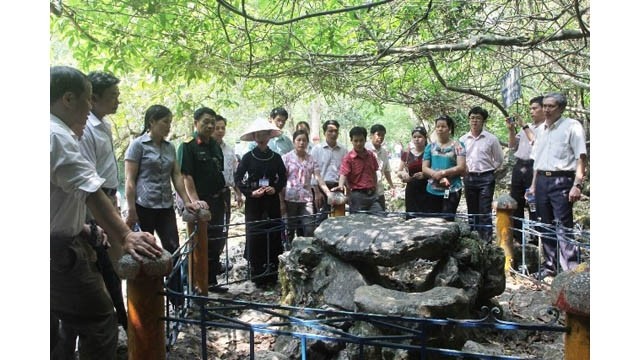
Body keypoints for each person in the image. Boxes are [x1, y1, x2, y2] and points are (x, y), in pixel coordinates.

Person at [50, 65, 163, 359]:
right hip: (58, 251)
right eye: (89, 99)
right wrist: (126, 235)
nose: (91, 106)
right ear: (68, 99)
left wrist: (84, 227)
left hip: (69, 236)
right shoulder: (57, 136)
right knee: (100, 321)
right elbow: (88, 190)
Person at [124, 105, 200, 305]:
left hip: (165, 205)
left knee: (173, 248)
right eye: (165, 122)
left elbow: (176, 176)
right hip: (143, 205)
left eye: (170, 122)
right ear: (151, 122)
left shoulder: (169, 147)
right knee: (146, 252)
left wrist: (187, 201)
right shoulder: (138, 145)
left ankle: (177, 300)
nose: (168, 126)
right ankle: (149, 299)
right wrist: (131, 210)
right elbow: (130, 180)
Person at [529, 93, 587, 280]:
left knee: (563, 226)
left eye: (551, 106)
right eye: (544, 106)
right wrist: (533, 186)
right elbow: (537, 161)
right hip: (542, 182)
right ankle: (550, 267)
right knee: (544, 225)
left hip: (562, 180)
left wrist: (577, 184)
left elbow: (581, 156)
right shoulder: (541, 130)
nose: (546, 109)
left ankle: (571, 270)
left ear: (561, 108)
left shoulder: (571, 126)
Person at [178, 107, 228, 292]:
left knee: (216, 239)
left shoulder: (214, 145)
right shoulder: (188, 146)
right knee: (198, 241)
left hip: (217, 199)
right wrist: (195, 201)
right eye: (205, 122)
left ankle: (211, 280)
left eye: (212, 122)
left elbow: (218, 171)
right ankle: (193, 283)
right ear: (196, 123)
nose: (209, 126)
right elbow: (186, 176)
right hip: (200, 200)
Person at [235, 118, 287, 287]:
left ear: (269, 135)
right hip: (254, 202)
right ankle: (257, 272)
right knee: (255, 234)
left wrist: (275, 188)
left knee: (273, 233)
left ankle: (272, 272)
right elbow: (237, 178)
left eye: (264, 133)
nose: (261, 136)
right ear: (254, 136)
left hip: (271, 200)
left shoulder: (276, 157)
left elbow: (283, 177)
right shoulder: (248, 157)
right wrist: (250, 192)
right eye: (258, 134)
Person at [460, 106, 504, 241]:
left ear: (483, 121)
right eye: (472, 118)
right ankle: (473, 238)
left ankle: (486, 240)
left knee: (485, 209)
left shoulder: (491, 139)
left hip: (486, 177)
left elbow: (499, 159)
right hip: (469, 177)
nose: (474, 121)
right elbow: (459, 159)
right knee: (471, 209)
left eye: (478, 118)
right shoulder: (463, 139)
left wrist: (490, 171)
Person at [282, 130, 332, 247]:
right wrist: (281, 201)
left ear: (307, 142)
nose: (301, 143)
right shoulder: (286, 158)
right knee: (289, 229)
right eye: (298, 140)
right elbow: (281, 180)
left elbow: (319, 178)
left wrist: (328, 193)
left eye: (304, 140)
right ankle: (288, 254)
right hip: (290, 199)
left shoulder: (311, 159)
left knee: (309, 228)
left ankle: (307, 253)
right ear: (294, 142)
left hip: (306, 199)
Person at [506, 96, 545, 243]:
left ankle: (536, 236)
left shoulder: (545, 128)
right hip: (519, 166)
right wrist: (511, 130)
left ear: (544, 108)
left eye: (535, 108)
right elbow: (512, 145)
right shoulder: (525, 128)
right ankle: (517, 236)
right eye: (530, 109)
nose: (532, 111)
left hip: (534, 167)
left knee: (534, 202)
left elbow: (536, 143)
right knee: (516, 201)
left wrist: (524, 126)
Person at [212, 114, 243, 273]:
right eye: (217, 128)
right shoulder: (206, 148)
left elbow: (233, 175)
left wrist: (238, 193)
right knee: (209, 232)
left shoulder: (229, 150)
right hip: (208, 196)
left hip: (225, 194)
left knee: (223, 228)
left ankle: (216, 262)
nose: (220, 131)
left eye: (222, 128)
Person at [422, 115, 467, 221]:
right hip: (432, 189)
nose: (440, 129)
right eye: (437, 126)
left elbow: (461, 167)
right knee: (432, 221)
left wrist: (442, 173)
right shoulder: (430, 146)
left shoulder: (459, 146)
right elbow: (424, 167)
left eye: (443, 126)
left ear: (450, 129)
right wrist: (435, 175)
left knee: (448, 221)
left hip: (452, 189)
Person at [333, 126, 383, 214]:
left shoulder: (370, 155)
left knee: (379, 219)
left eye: (361, 140)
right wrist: (341, 186)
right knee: (358, 223)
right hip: (357, 196)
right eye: (356, 141)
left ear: (365, 140)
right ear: (351, 141)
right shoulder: (348, 158)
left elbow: (374, 172)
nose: (358, 143)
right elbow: (343, 174)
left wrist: (375, 188)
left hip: (372, 195)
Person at [310, 120, 348, 223]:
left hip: (337, 188)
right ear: (324, 133)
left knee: (338, 220)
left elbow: (345, 172)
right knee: (320, 220)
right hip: (321, 189)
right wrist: (317, 192)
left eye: (336, 131)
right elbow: (313, 172)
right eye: (330, 131)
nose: (333, 134)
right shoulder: (316, 149)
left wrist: (347, 190)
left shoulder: (343, 150)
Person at [397, 126, 430, 218]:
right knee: (411, 217)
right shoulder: (406, 154)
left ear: (425, 138)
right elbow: (399, 171)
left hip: (427, 189)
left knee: (427, 217)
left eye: (419, 137)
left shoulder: (430, 152)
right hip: (411, 190)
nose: (417, 139)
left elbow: (436, 169)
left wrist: (425, 174)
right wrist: (403, 174)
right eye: (414, 137)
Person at [365, 124, 395, 211]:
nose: (381, 137)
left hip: (379, 191)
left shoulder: (384, 152)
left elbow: (386, 171)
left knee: (381, 219)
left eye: (383, 135)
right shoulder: (364, 149)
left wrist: (392, 186)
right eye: (378, 134)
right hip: (365, 191)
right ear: (371, 135)